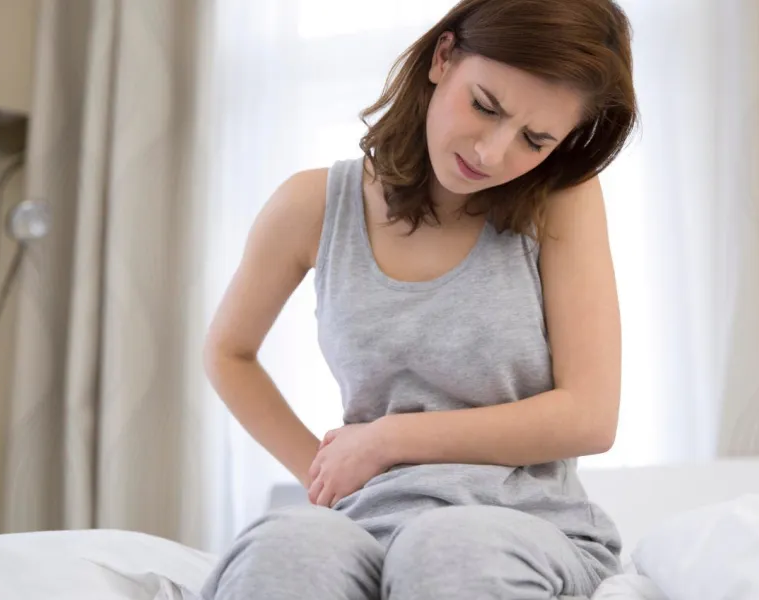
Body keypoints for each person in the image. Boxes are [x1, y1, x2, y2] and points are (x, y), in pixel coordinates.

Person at [200, 0, 638, 597]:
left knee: (447, 549)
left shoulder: (561, 201)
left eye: (534, 140)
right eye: (485, 106)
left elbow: (589, 416)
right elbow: (228, 352)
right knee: (284, 547)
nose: (492, 153)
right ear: (444, 57)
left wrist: (387, 440)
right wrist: (324, 475)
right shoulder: (313, 206)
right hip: (366, 520)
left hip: (524, 529)